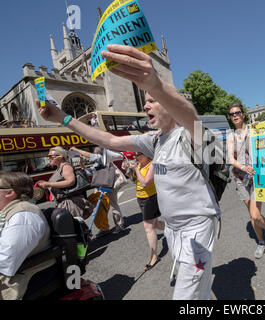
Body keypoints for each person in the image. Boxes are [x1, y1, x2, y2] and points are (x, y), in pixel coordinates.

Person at [36, 44, 220, 300]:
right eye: (145, 101)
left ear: (169, 103)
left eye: (152, 100)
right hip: (173, 230)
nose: (146, 106)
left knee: (185, 297)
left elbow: (191, 116)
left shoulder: (191, 136)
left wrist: (156, 84)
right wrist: (63, 119)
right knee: (201, 289)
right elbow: (108, 141)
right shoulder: (154, 140)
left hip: (197, 227)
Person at [226, 103, 265, 258]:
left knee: (255, 215)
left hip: (256, 177)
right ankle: (261, 242)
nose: (234, 115)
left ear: (243, 115)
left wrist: (258, 129)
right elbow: (230, 158)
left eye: (237, 113)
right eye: (232, 114)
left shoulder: (254, 130)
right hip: (240, 178)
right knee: (252, 215)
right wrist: (243, 167)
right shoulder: (231, 136)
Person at [0, 171, 53, 300]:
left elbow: (4, 263)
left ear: (9, 193)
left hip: (21, 280)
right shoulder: (7, 212)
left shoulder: (23, 217)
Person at [69, 146, 126, 234]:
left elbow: (91, 156)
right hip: (102, 186)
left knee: (113, 204)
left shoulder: (105, 159)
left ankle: (119, 224)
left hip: (110, 186)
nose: (94, 155)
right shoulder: (97, 163)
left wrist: (76, 150)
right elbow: (87, 172)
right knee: (100, 206)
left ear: (100, 154)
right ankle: (104, 227)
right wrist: (81, 163)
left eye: (95, 153)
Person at [123, 152, 165, 271]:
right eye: (134, 155)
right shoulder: (139, 165)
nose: (136, 157)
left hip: (150, 198)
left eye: (138, 154)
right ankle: (171, 229)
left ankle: (154, 256)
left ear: (146, 154)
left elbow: (145, 183)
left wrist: (136, 168)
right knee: (155, 224)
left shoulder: (151, 164)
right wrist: (130, 170)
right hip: (140, 198)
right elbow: (135, 181)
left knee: (148, 227)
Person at [38, 147, 94, 220]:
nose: (48, 158)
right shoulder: (59, 169)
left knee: (73, 228)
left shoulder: (66, 166)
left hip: (70, 204)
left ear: (60, 156)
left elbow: (70, 181)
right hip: (63, 204)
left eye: (50, 156)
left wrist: (49, 184)